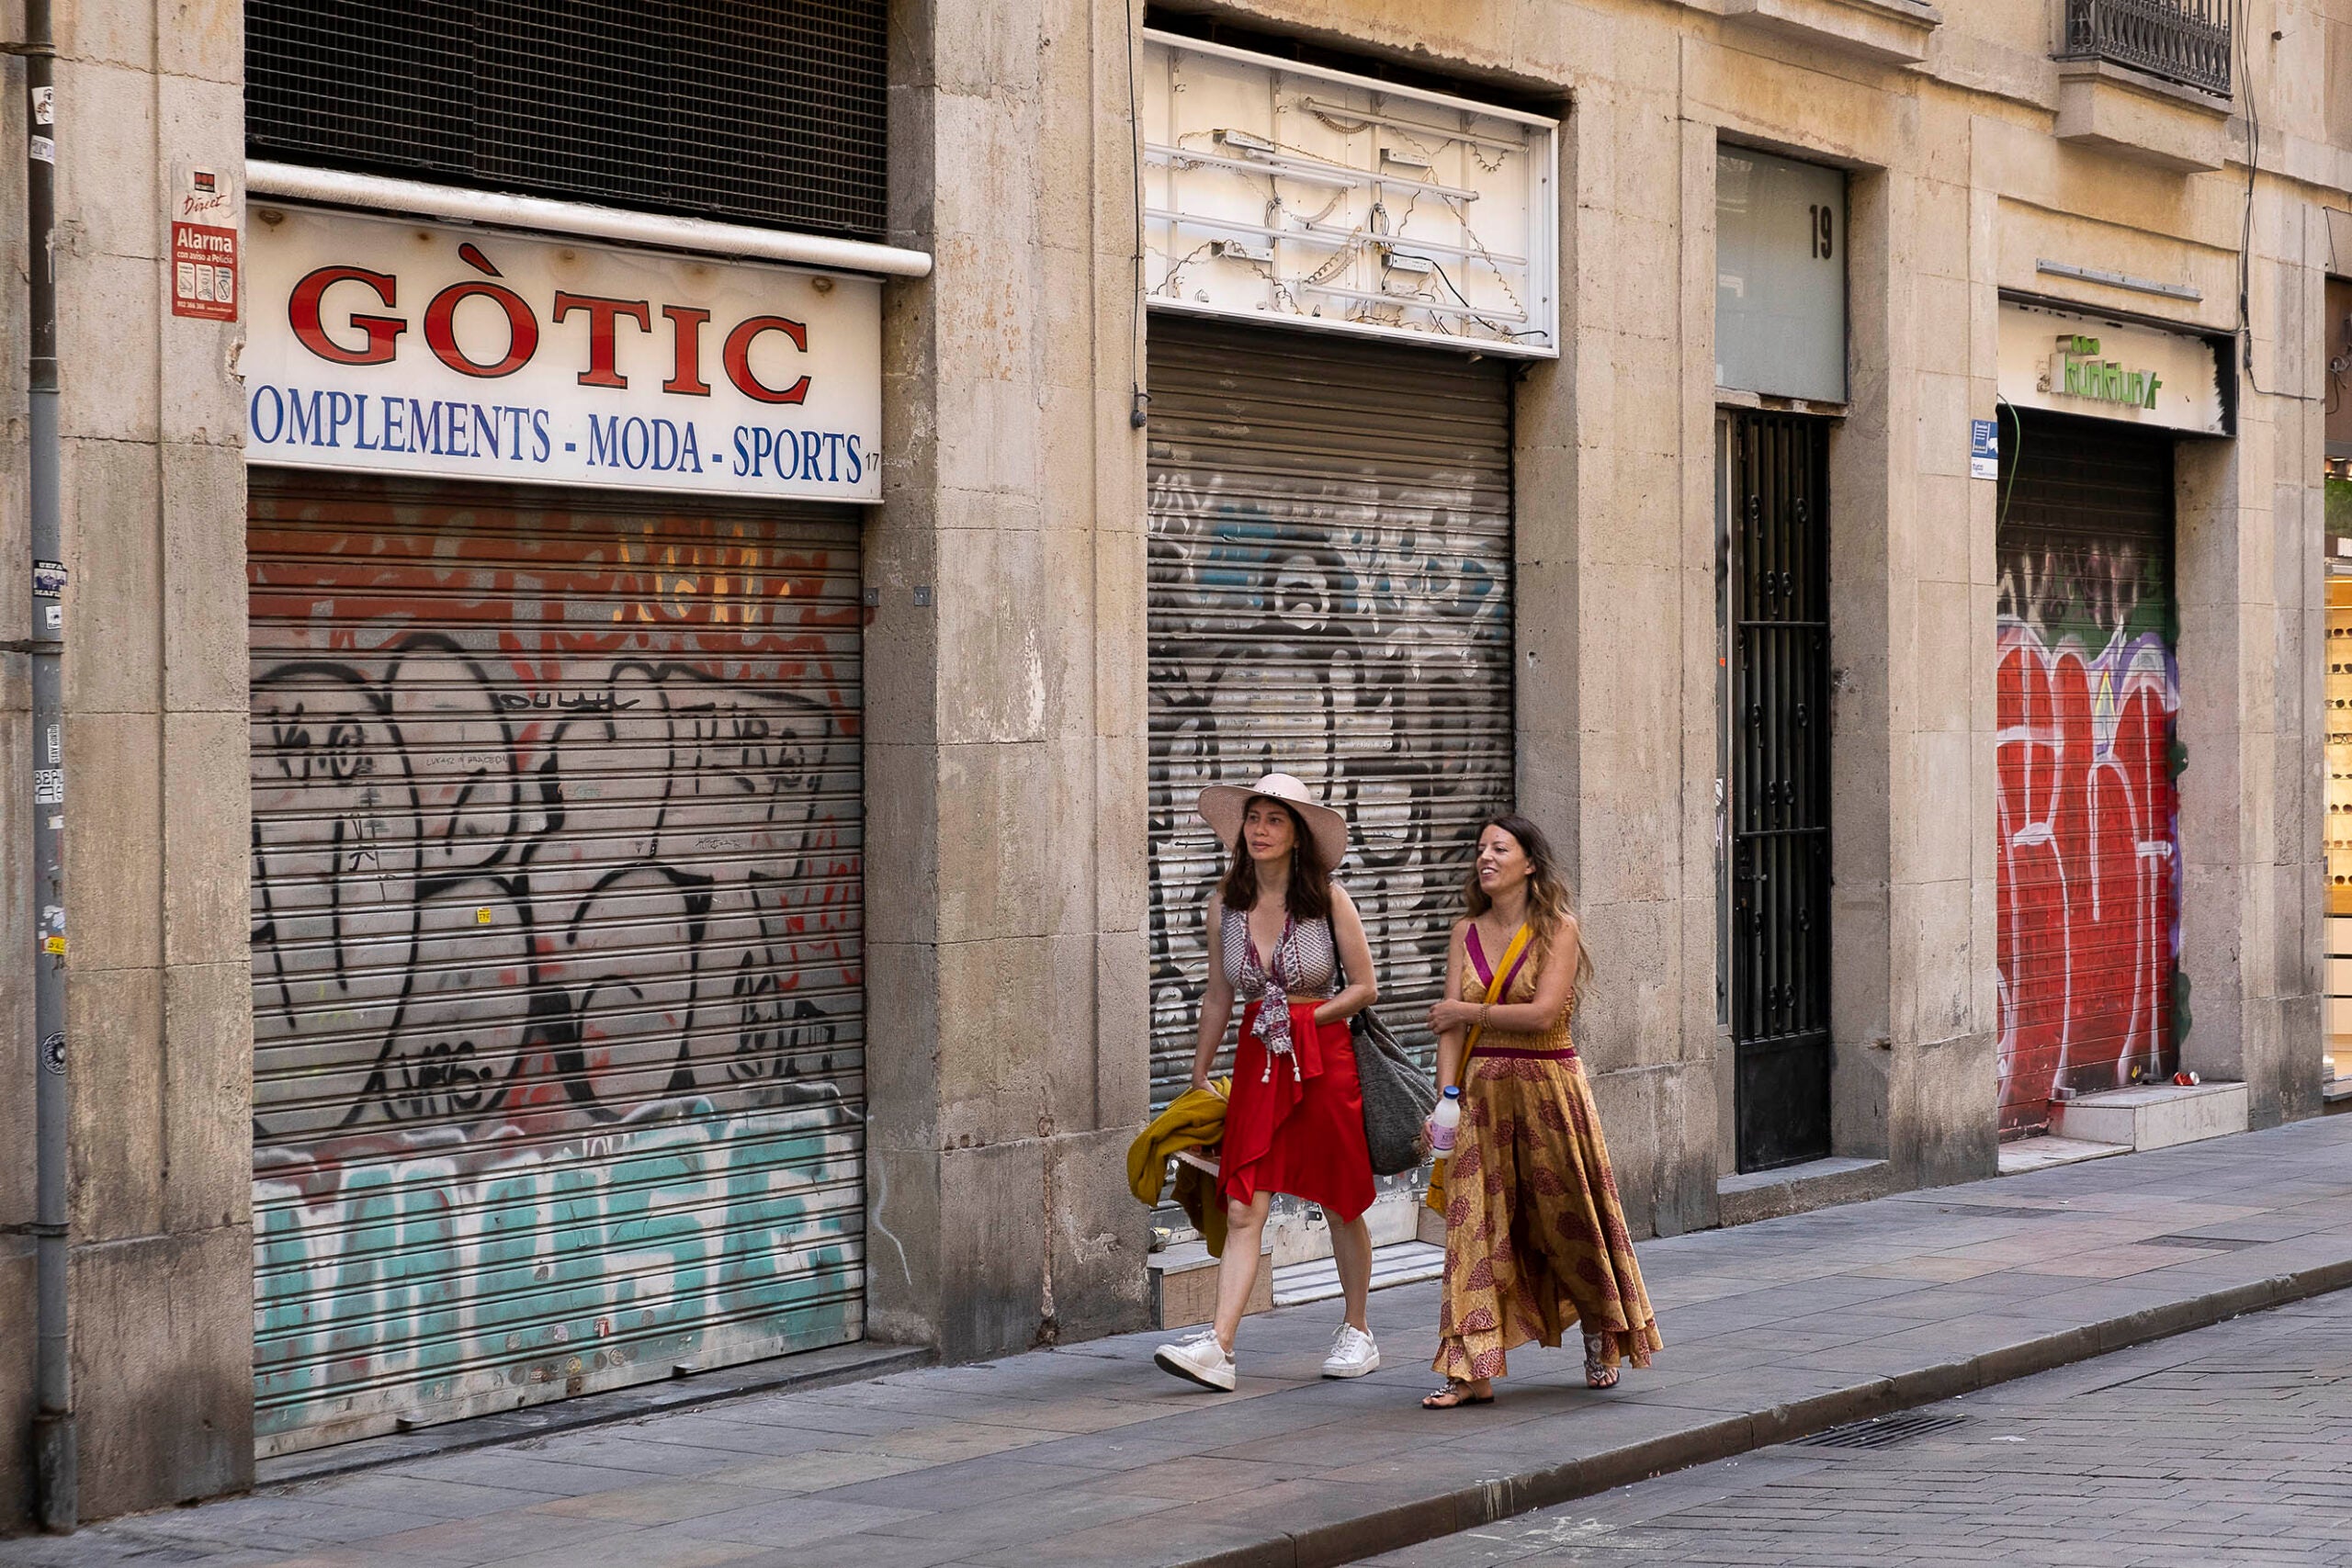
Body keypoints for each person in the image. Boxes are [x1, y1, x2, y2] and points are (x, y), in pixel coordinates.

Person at [1419, 813, 1662, 1408]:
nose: (1486, 857)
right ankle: (1470, 1370)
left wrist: (1465, 1014)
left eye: (1499, 848)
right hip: (1482, 1096)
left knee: (1571, 1217)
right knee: (1471, 1226)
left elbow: (1542, 1011)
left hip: (1551, 1089)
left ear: (1529, 862)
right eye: (1480, 848)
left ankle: (1601, 1328)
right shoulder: (1463, 931)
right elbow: (1448, 1031)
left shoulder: (1559, 928)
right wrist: (1445, 1098)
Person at [1152, 772, 1382, 1391]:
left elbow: (1365, 986)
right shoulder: (1224, 903)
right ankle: (1219, 1346)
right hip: (1258, 1058)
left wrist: (1306, 1016)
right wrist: (1200, 1068)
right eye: (1254, 817)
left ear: (1297, 835)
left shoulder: (1328, 899)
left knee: (1339, 1199)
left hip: (1322, 1055)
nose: (1260, 829)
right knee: (1243, 1199)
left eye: (1274, 819)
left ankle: (1357, 1329)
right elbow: (1219, 996)